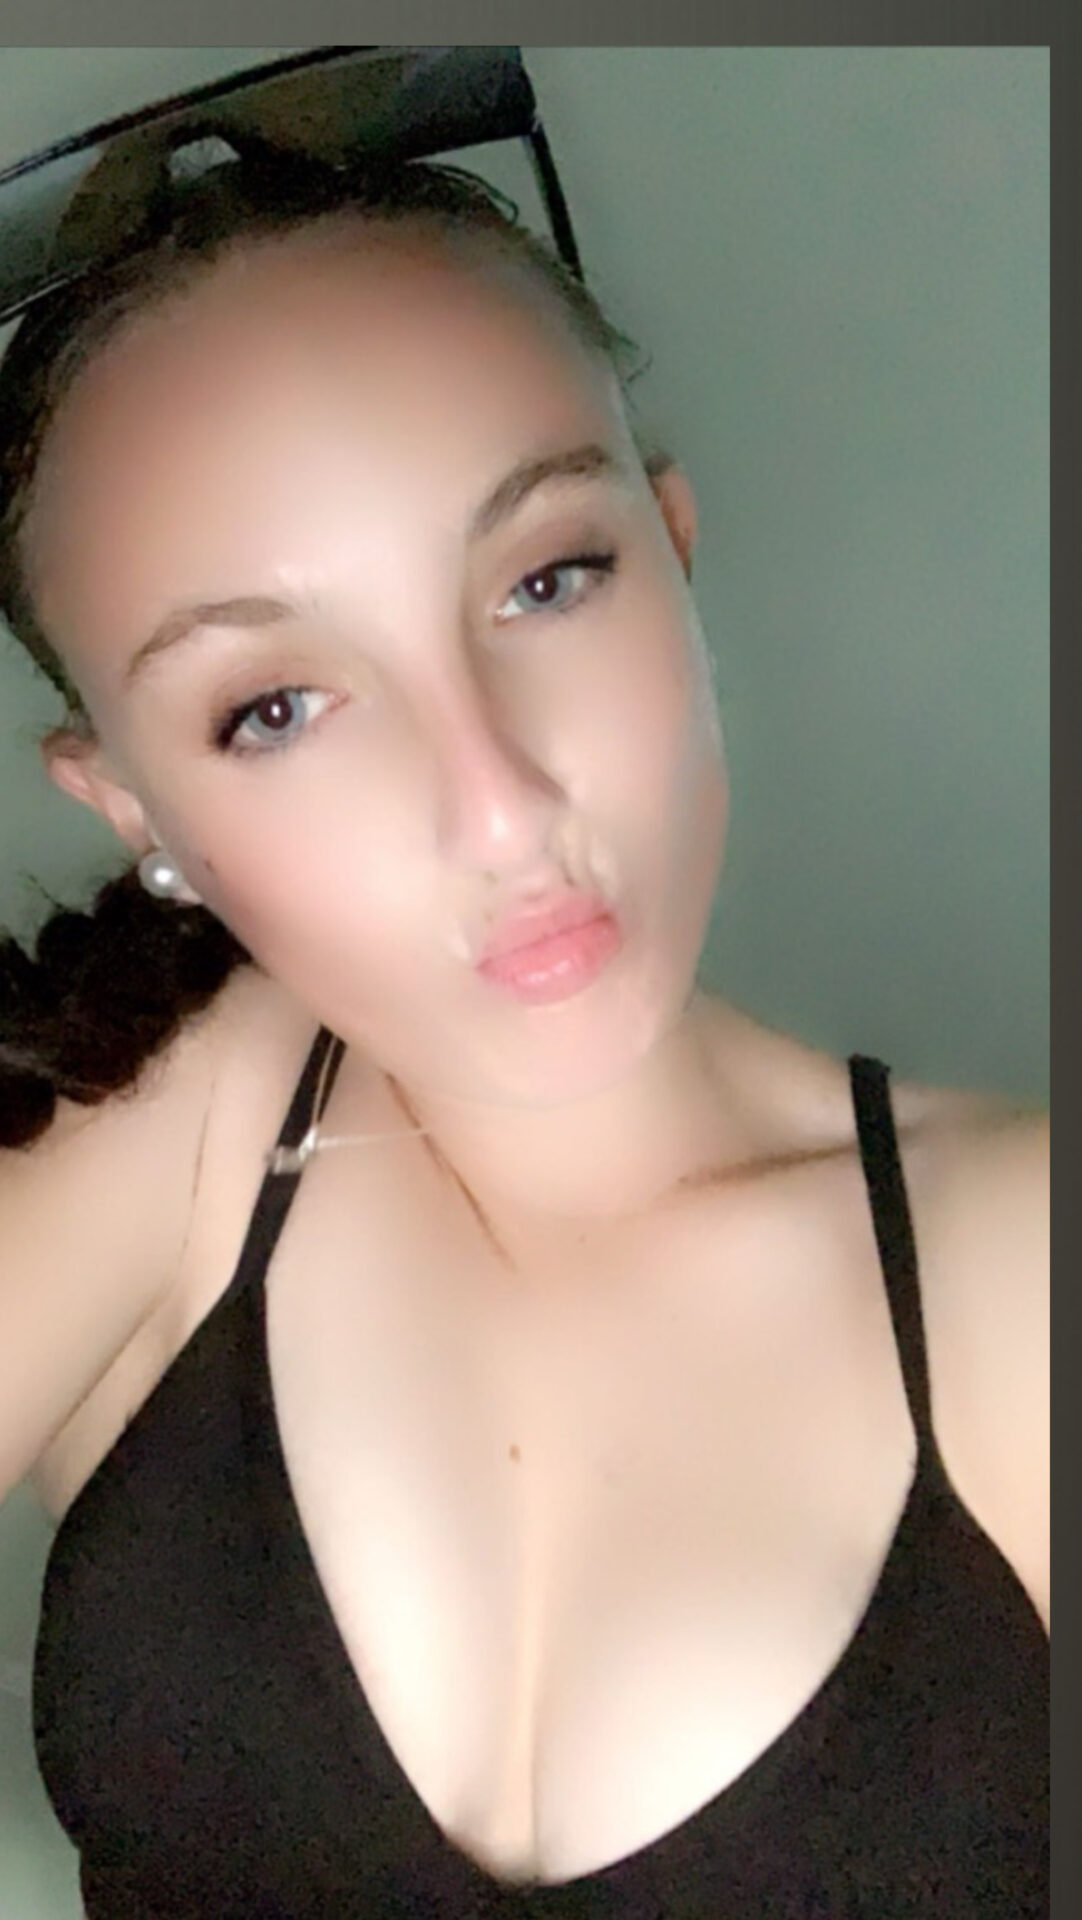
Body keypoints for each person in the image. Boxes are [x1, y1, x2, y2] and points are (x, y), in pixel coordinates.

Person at [0, 141, 1047, 1919]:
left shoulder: (1018, 1264)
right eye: (275, 707)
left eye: (546, 580)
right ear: (132, 811)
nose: (498, 806)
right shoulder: (176, 1125)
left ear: (674, 553)